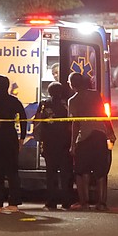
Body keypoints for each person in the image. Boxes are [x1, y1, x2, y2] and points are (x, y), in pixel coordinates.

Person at [68, 72, 116, 211]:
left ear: (72, 84)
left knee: (82, 171)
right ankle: (101, 203)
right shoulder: (95, 95)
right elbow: (103, 115)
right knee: (101, 171)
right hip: (100, 135)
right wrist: (110, 132)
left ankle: (84, 203)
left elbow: (75, 123)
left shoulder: (73, 100)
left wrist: (73, 144)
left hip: (84, 138)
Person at [0, 75, 27, 214]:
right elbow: (23, 118)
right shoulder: (13, 101)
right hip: (10, 137)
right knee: (12, 171)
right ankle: (14, 202)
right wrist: (22, 137)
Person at [35, 81, 74, 210]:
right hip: (65, 142)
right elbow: (72, 122)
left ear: (49, 92)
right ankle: (66, 202)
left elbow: (37, 121)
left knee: (51, 173)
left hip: (49, 143)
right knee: (65, 173)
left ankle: (51, 202)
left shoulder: (44, 104)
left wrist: (39, 138)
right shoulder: (67, 104)